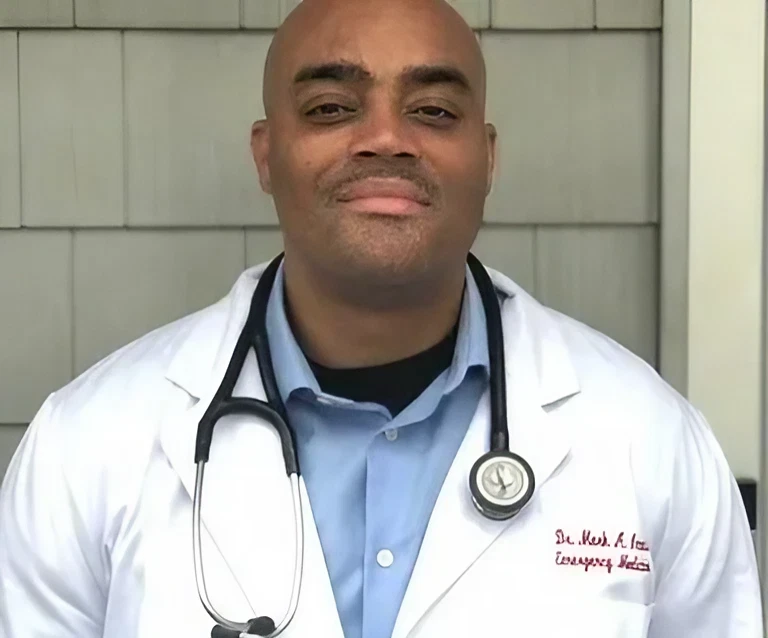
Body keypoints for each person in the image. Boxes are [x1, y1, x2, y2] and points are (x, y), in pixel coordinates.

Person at [0, 0, 762, 636]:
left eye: (433, 109)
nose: (388, 139)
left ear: (487, 158)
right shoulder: (87, 447)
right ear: (266, 156)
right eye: (331, 108)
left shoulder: (653, 441)